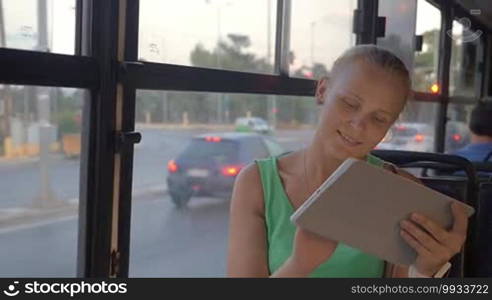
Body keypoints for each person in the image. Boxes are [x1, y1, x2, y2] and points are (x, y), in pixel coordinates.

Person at [226, 45, 469, 278]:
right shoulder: (256, 184)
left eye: (379, 118)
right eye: (350, 104)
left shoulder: (401, 191)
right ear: (322, 91)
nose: (359, 126)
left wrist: (424, 270)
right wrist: (300, 265)